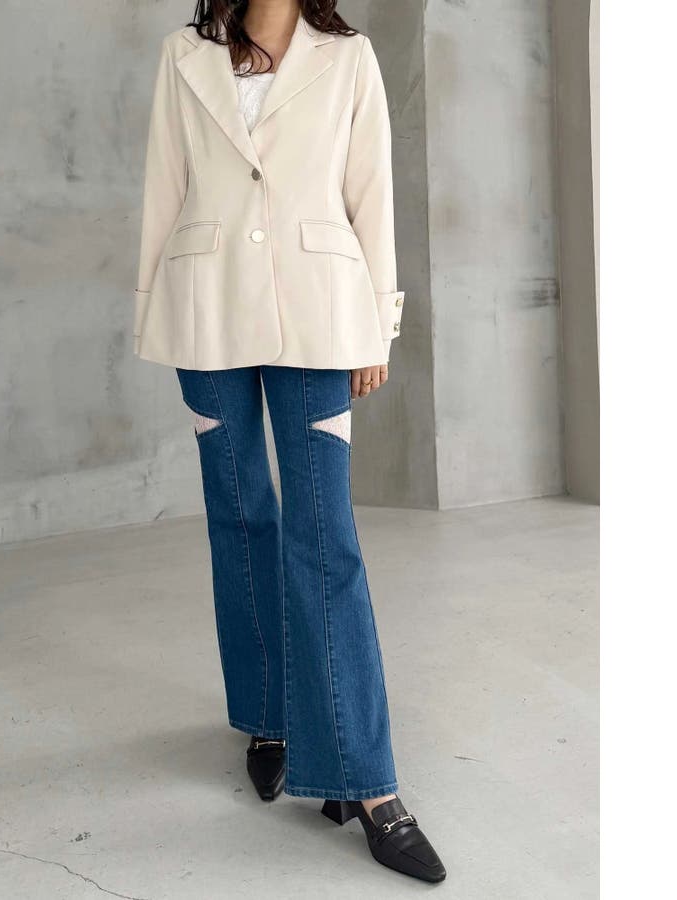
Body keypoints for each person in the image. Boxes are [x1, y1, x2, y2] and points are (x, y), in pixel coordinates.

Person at [132, 0, 446, 883]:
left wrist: (378, 323)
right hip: (204, 310)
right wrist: (154, 315)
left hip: (320, 313)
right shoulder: (183, 55)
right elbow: (163, 186)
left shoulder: (348, 57)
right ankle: (268, 717)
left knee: (325, 538)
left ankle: (369, 782)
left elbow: (371, 190)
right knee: (240, 519)